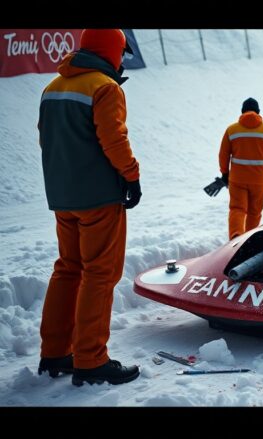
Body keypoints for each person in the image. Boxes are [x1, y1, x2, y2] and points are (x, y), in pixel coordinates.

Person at [37, 29, 141, 386]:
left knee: (68, 269)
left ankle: (54, 352)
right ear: (111, 49)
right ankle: (91, 359)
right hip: (98, 198)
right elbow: (114, 138)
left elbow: (45, 139)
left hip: (63, 197)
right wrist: (132, 176)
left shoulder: (53, 88)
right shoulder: (105, 87)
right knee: (100, 274)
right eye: (122, 52)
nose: (123, 59)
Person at [219, 98, 263, 240]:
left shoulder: (232, 130)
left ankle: (235, 236)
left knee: (237, 209)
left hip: (237, 179)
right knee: (254, 212)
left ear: (242, 112)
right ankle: (249, 239)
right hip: (259, 180)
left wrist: (224, 173)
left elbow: (223, 154)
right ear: (258, 112)